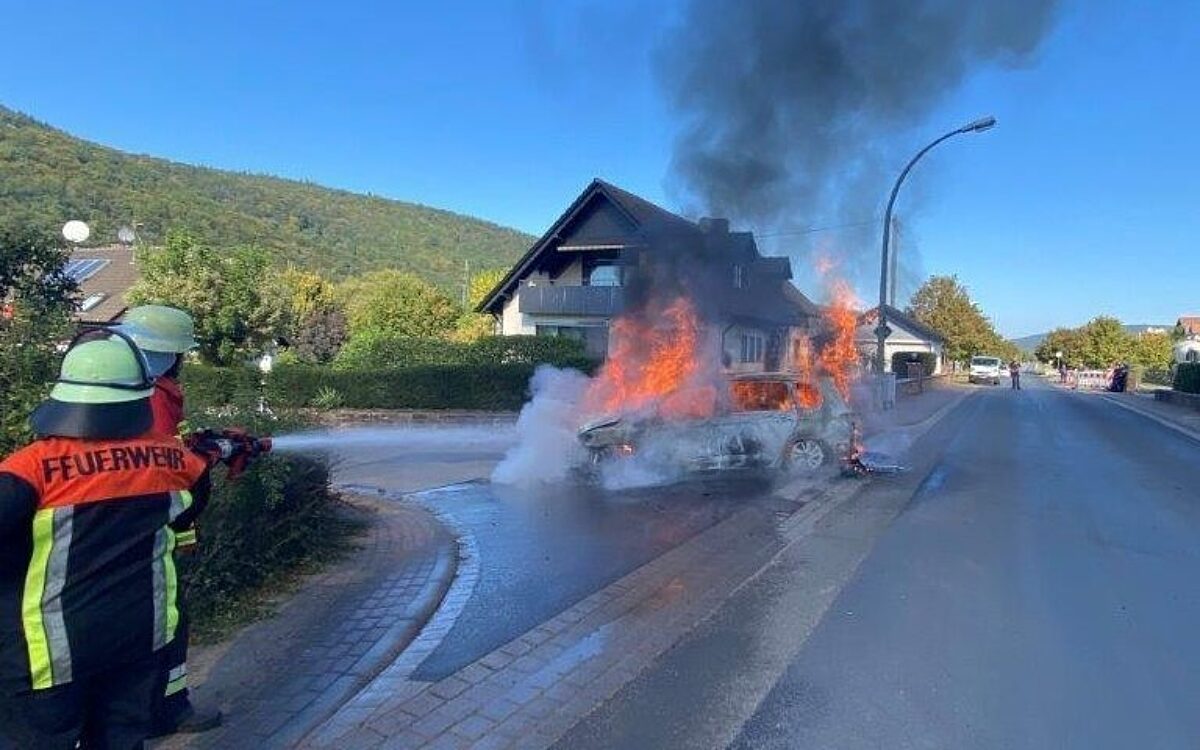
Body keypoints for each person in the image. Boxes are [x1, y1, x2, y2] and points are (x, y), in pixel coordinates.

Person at [0, 331, 211, 749]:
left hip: (50, 657)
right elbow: (189, 510)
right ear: (140, 398)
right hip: (137, 639)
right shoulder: (177, 460)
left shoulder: (29, 470)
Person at [116, 305, 222, 736]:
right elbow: (159, 470)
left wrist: (195, 445)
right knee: (167, 621)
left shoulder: (118, 390)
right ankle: (168, 710)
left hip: (124, 533)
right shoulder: (154, 396)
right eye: (181, 354)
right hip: (152, 535)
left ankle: (148, 709)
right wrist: (204, 459)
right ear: (168, 355)